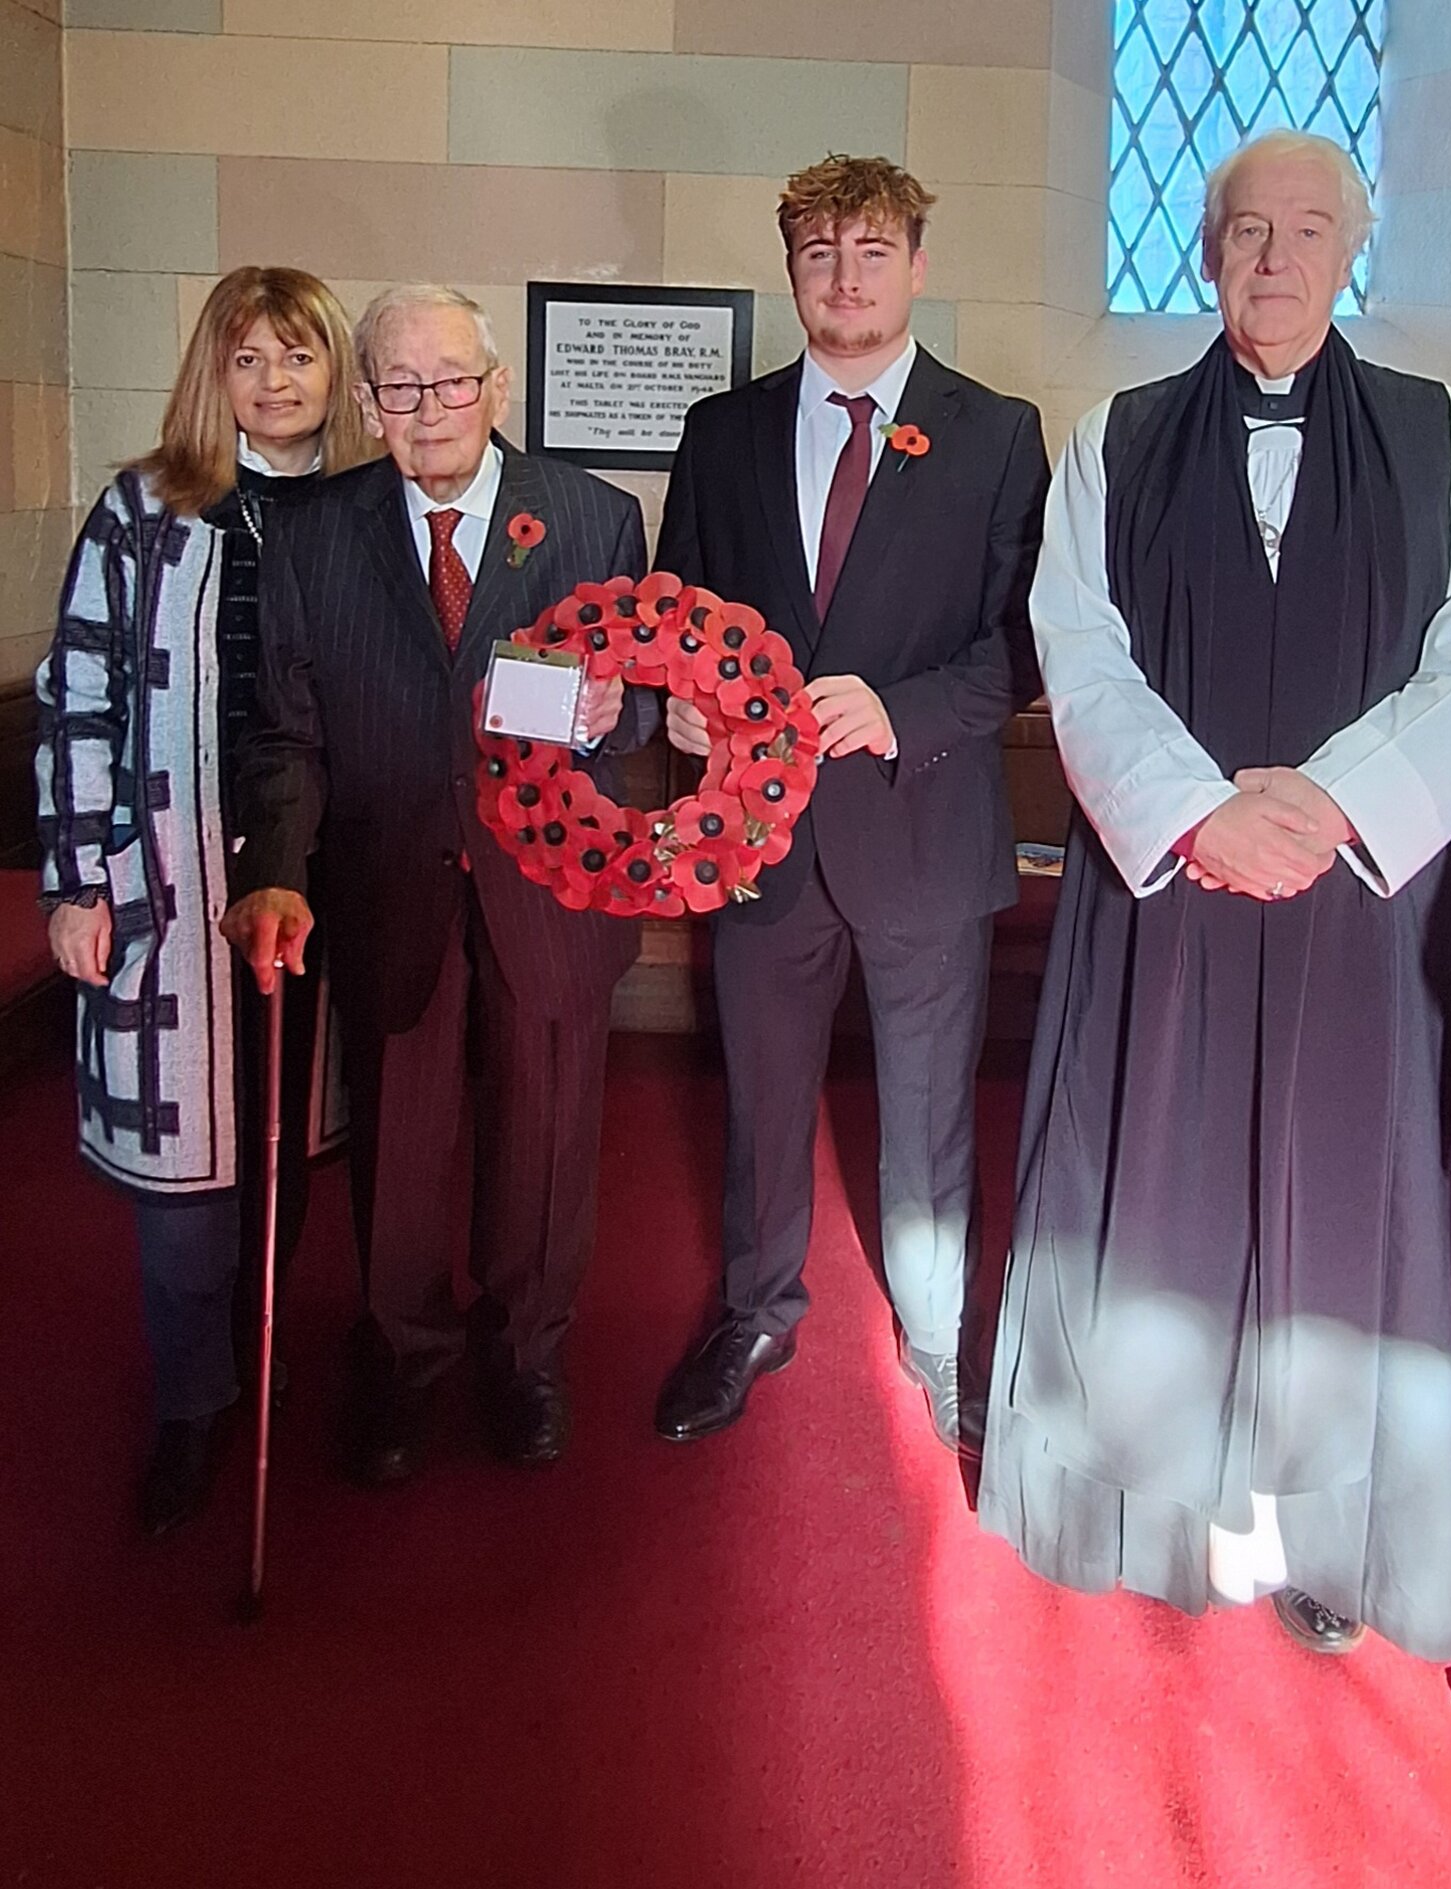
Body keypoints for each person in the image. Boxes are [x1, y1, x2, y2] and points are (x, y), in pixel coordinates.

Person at [976, 128, 1451, 1661]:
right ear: (1205, 248)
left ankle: (1324, 1528)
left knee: (1337, 1186)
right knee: (1154, 1170)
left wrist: (1331, 802)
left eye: (1306, 230)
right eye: (1245, 232)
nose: (1274, 259)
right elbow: (1076, 647)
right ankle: (1141, 1492)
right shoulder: (1116, 433)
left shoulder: (1447, 436)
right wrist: (1200, 809)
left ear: (1351, 251)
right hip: (1171, 886)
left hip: (1357, 896)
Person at [222, 285, 657, 1484]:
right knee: (400, 1148)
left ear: (496, 386)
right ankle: (403, 1354)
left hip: (549, 884)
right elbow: (283, 736)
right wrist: (276, 874)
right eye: (401, 387)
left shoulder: (593, 517)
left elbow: (644, 702)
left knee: (547, 1138)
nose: (431, 408)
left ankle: (526, 1356)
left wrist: (625, 710)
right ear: (367, 402)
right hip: (388, 882)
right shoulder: (314, 534)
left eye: (453, 381)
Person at [652, 154, 1050, 1450]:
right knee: (761, 1103)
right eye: (819, 252)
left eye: (870, 251)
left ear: (916, 265)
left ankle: (939, 1344)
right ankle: (756, 1311)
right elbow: (680, 618)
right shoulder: (723, 432)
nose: (844, 275)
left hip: (923, 828)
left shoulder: (994, 435)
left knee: (930, 1118)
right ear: (791, 270)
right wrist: (681, 697)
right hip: (760, 837)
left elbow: (1026, 642)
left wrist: (903, 711)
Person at [36, 266, 373, 1534]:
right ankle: (191, 1401)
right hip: (164, 884)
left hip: (312, 881)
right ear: (212, 375)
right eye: (249, 360)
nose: (275, 382)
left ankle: (258, 1360)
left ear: (335, 375)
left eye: (298, 358)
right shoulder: (145, 508)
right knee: (185, 1186)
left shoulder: (359, 509)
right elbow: (77, 700)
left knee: (278, 1145)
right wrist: (76, 878)